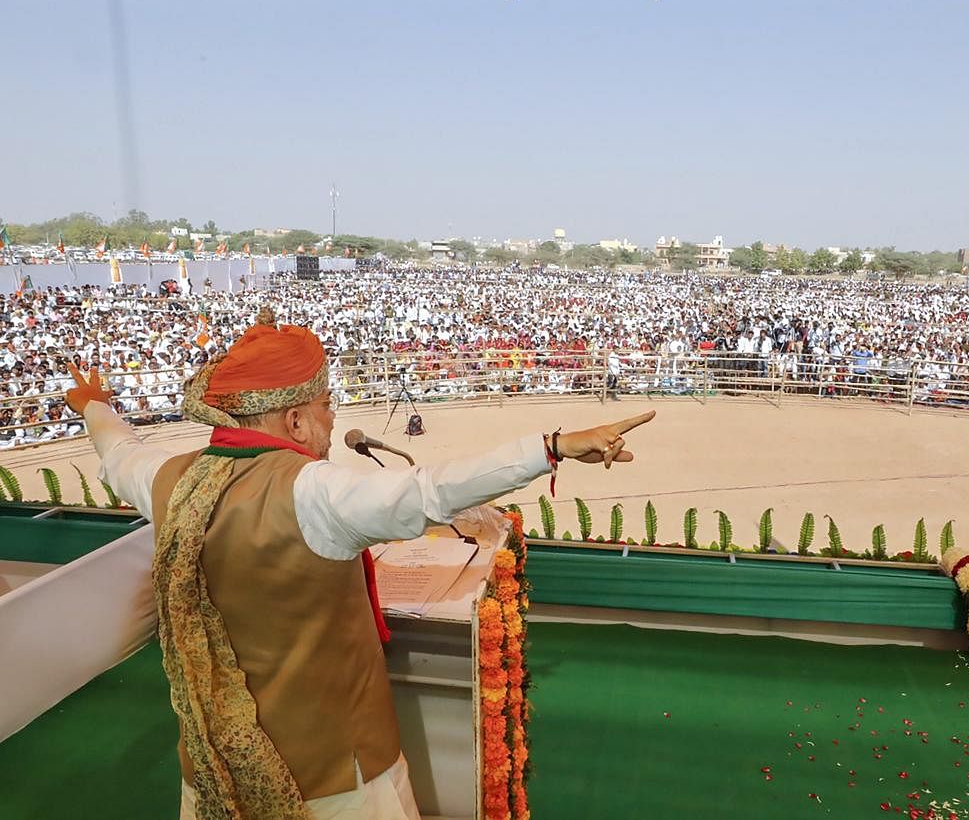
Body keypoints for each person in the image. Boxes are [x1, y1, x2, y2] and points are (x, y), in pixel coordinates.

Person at [65, 308, 654, 820]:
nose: (331, 422)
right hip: (334, 778)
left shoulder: (168, 481)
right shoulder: (313, 492)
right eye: (325, 406)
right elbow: (432, 490)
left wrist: (93, 406)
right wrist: (551, 447)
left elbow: (118, 452)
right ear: (293, 419)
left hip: (214, 771)